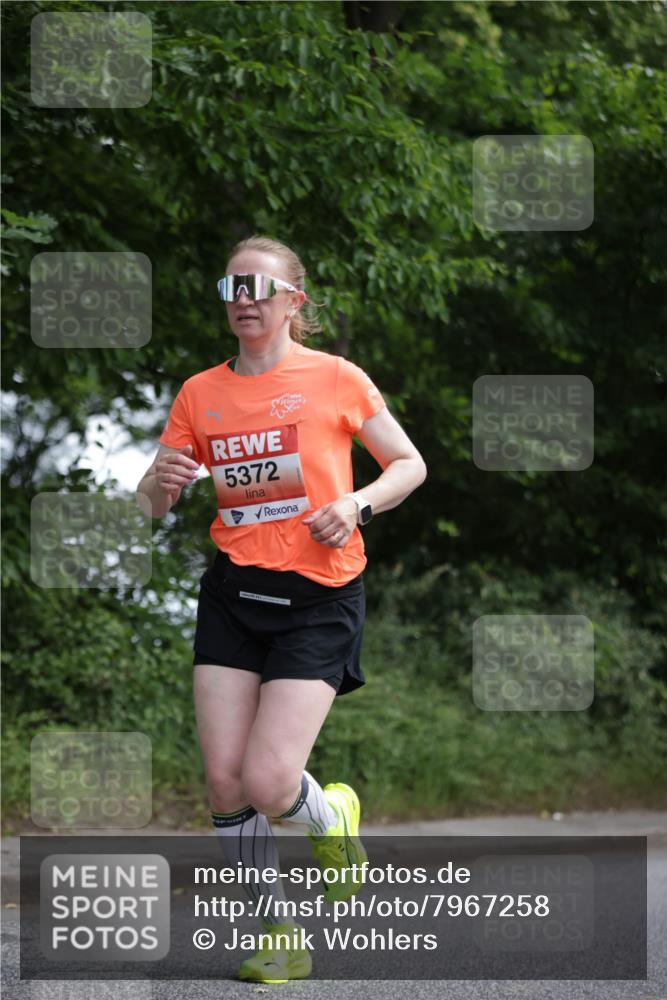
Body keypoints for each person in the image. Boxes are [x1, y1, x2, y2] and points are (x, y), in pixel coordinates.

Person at [136, 235, 427, 983]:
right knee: (225, 784)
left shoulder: (334, 377)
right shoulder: (201, 392)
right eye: (231, 287)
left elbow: (407, 464)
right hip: (234, 594)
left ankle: (332, 819)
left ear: (292, 301)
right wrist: (160, 479)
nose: (242, 300)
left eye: (257, 287)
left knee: (270, 782)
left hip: (319, 595)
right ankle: (279, 932)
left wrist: (355, 503)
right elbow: (150, 507)